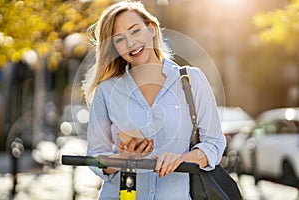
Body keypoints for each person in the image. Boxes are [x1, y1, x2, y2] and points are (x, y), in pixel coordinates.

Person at [83, 1, 226, 199]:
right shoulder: (107, 91)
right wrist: (123, 158)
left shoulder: (191, 80)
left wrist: (181, 159)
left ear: (151, 29)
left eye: (135, 31)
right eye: (119, 39)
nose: (131, 43)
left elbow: (214, 144)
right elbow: (94, 158)